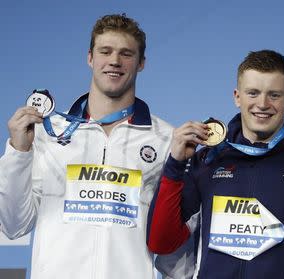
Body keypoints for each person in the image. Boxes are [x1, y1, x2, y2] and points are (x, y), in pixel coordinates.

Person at [0, 14, 177, 279]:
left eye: (126, 54)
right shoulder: (46, 133)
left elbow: (172, 245)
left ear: (141, 63)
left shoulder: (165, 139)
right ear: (90, 58)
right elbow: (13, 226)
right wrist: (18, 151)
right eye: (105, 51)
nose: (114, 61)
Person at [149, 49, 284, 278]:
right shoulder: (206, 162)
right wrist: (175, 164)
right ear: (237, 96)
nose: (262, 104)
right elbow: (161, 242)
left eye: (274, 95)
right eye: (253, 93)